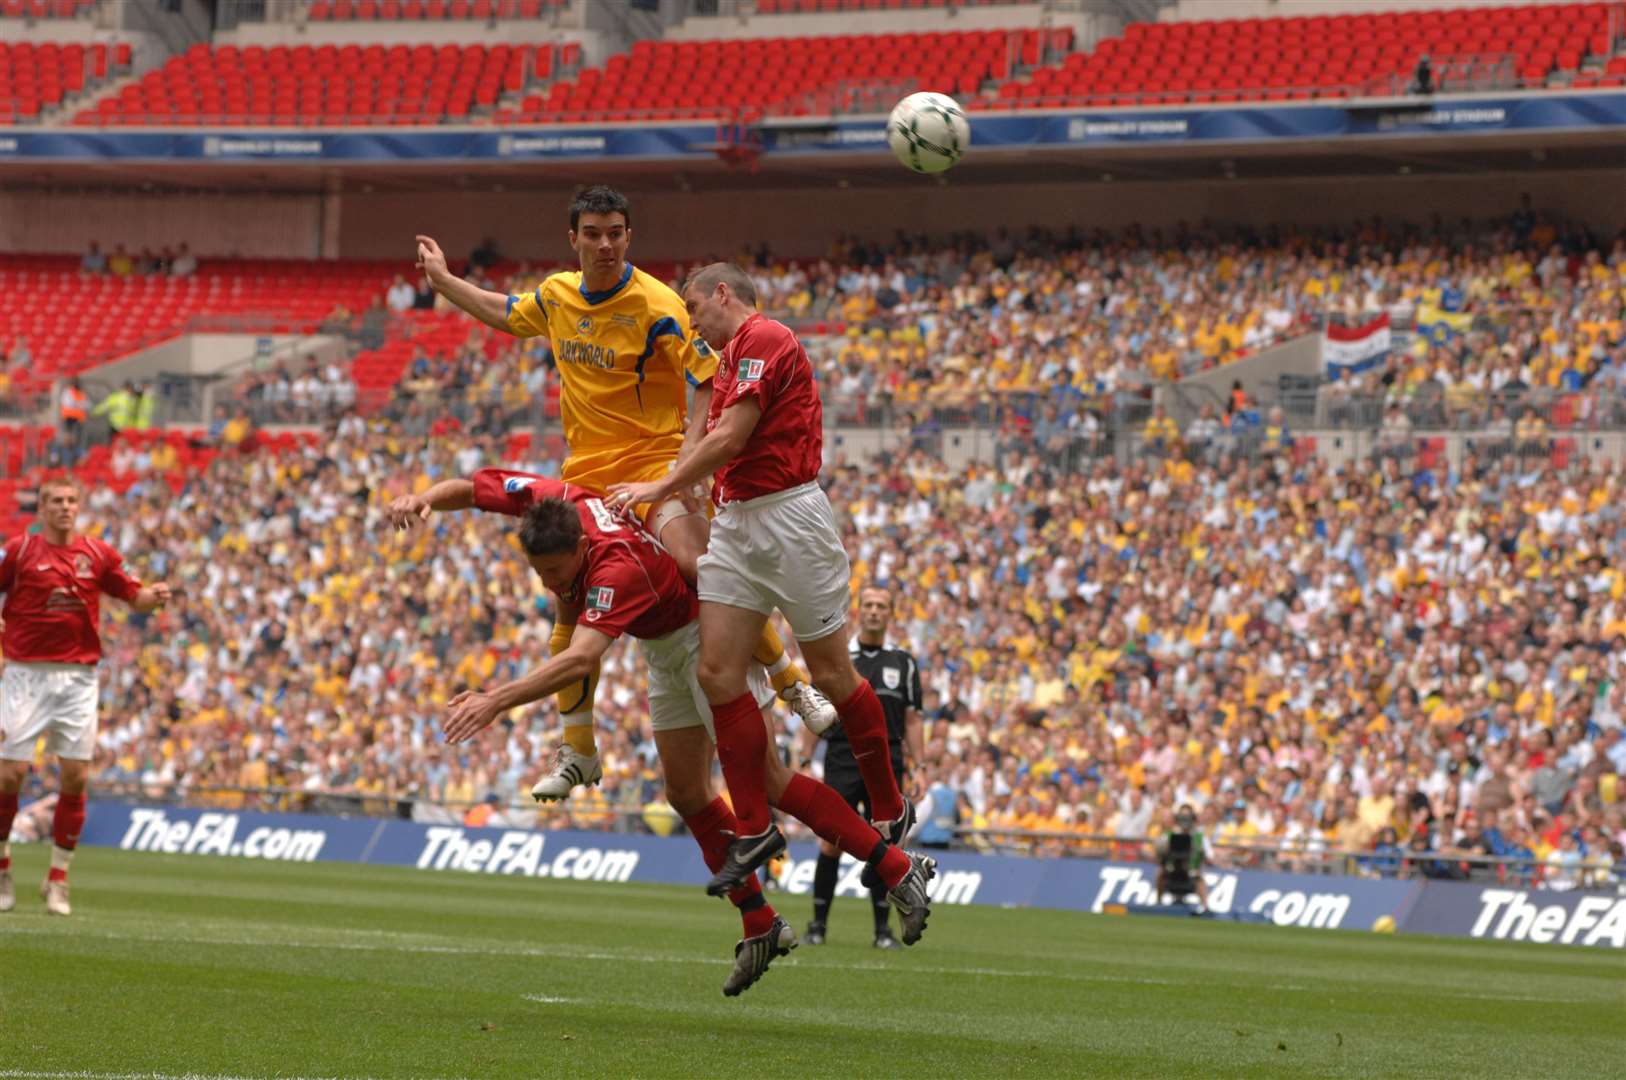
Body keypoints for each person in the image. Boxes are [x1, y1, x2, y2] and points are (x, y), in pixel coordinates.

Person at [391, 467, 933, 986]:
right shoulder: (554, 501)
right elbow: (482, 486)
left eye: (555, 573)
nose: (550, 584)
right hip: (663, 649)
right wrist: (428, 499)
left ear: (580, 549)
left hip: (707, 637)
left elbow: (581, 660)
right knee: (686, 792)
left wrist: (496, 700)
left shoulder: (614, 570)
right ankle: (759, 923)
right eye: (539, 573)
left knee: (770, 778)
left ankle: (893, 866)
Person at [414, 186, 833, 802]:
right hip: (586, 478)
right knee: (568, 606)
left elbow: (704, 377)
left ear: (628, 237)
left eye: (615, 233)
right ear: (574, 240)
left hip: (650, 470)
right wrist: (445, 281)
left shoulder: (659, 304)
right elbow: (506, 312)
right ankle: (578, 751)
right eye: (593, 233)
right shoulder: (558, 296)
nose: (605, 244)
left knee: (700, 566)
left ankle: (789, 680)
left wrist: (685, 463)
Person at [607, 262, 930, 933]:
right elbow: (712, 433)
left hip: (790, 519)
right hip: (738, 524)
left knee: (835, 674)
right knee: (717, 671)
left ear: (724, 294)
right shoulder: (727, 360)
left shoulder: (767, 337)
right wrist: (694, 480)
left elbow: (732, 437)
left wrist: (659, 486)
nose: (694, 320)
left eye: (696, 307)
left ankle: (891, 807)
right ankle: (753, 828)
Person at [0, 476, 172, 916]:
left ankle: (58, 878)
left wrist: (153, 597)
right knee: (9, 776)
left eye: (72, 500)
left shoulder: (97, 554)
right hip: (24, 675)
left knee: (76, 778)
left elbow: (132, 595)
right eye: (55, 500)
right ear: (41, 508)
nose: (65, 507)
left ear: (81, 506)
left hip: (77, 679)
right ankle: (3, 869)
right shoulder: (19, 552)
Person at [800, 584, 923, 950]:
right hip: (842, 757)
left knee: (887, 843)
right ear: (858, 611)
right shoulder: (839, 656)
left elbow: (912, 719)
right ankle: (818, 925)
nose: (873, 611)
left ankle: (882, 932)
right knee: (830, 843)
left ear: (890, 614)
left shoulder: (904, 662)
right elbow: (815, 708)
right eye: (868, 604)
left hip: (889, 760)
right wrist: (806, 758)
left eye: (881, 606)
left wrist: (921, 764)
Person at [1153, 804, 1209, 911]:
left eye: (1187, 817)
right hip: (1172, 871)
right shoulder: (1168, 835)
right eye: (1182, 817)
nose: (1185, 821)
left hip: (1190, 872)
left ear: (1193, 819)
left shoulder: (1200, 837)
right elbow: (1158, 853)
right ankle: (1158, 902)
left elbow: (1208, 856)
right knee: (1160, 873)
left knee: (1200, 879)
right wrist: (1164, 849)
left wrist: (1199, 852)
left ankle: (1205, 907)